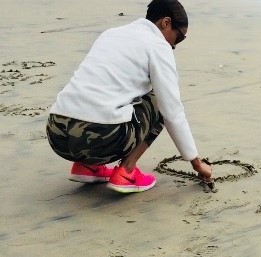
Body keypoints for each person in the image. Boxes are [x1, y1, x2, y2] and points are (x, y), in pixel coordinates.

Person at [46, 0, 212, 193]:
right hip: (97, 138)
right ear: (165, 23)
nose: (175, 44)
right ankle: (126, 172)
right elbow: (172, 110)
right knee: (158, 101)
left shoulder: (111, 34)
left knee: (110, 96)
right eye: (179, 37)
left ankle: (86, 166)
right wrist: (196, 163)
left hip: (56, 132)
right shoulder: (158, 45)